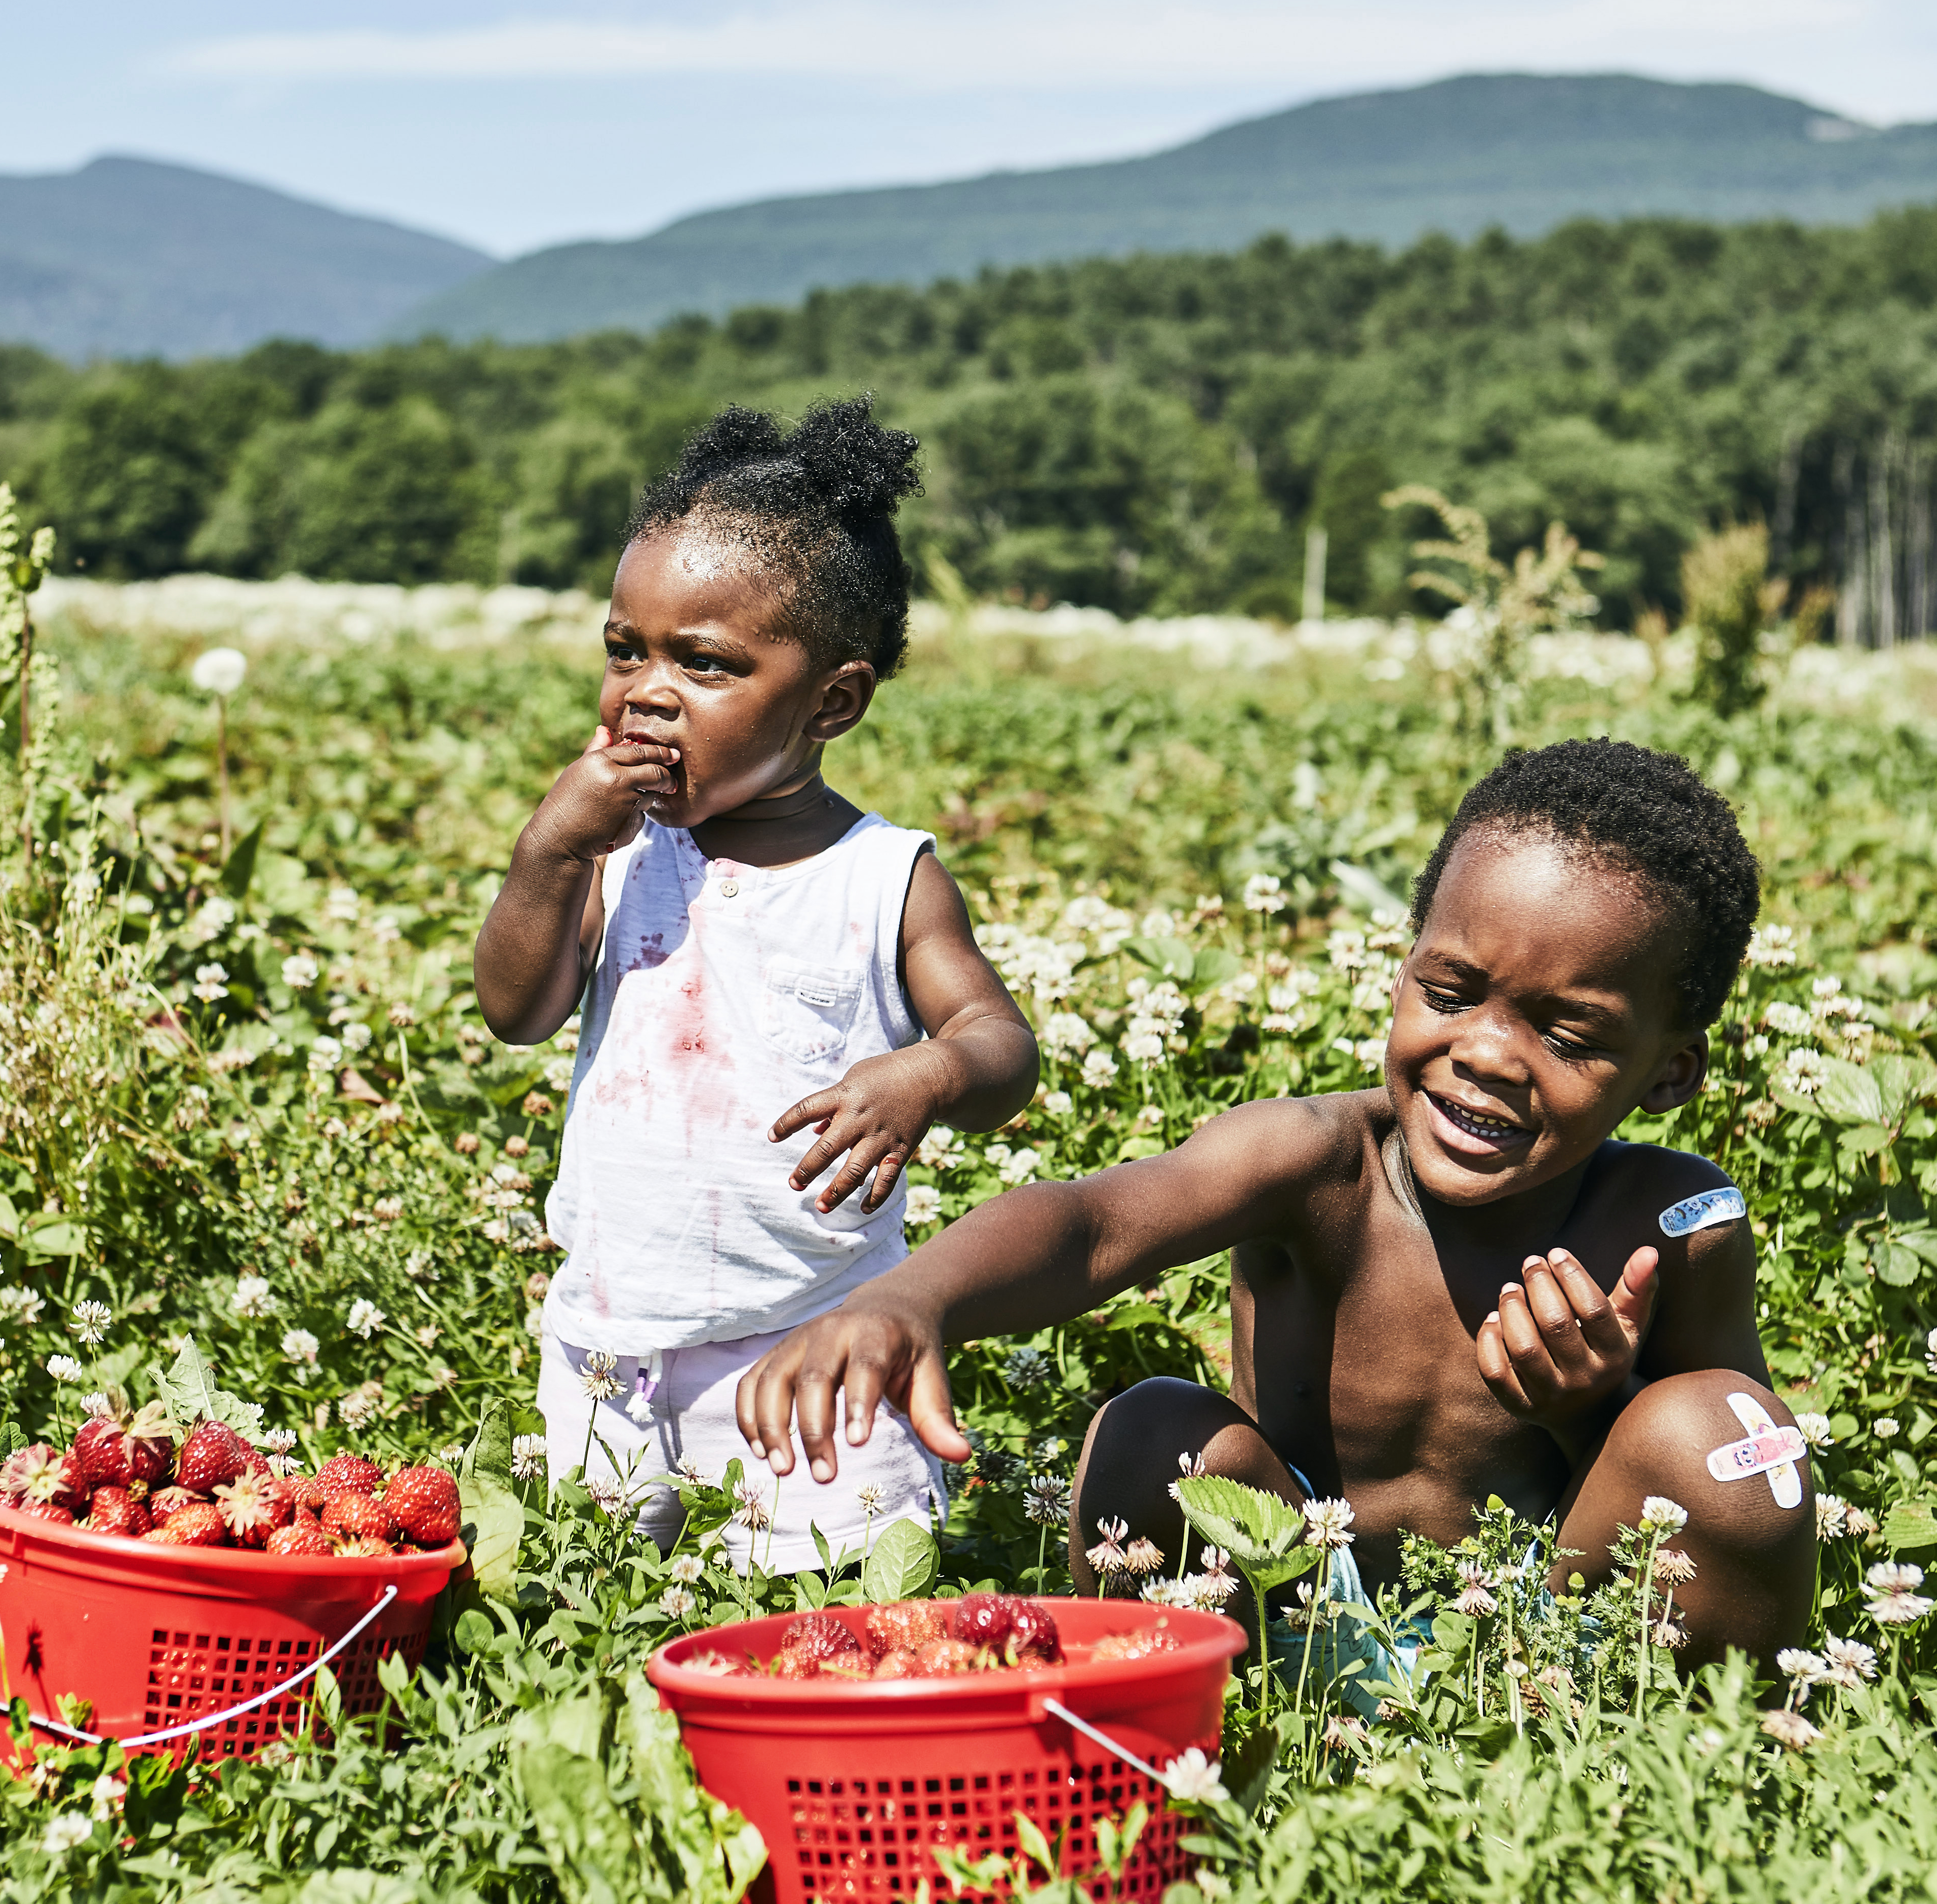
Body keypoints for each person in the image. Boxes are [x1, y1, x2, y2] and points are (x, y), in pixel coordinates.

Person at [734, 737, 1815, 1670]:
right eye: (1445, 992)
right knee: (1154, 1428)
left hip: (1540, 1638)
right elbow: (1095, 1220)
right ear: (1401, 971)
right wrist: (912, 1298)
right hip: (1285, 1599)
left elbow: (1739, 1492)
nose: (1484, 1054)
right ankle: (1163, 1719)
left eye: (1567, 1035)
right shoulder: (1314, 1163)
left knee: (1716, 1435)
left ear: (1667, 1074)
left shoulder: (1674, 1223)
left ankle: (1671, 1757)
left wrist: (1590, 1404)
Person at [474, 398, 1039, 1569]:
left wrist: (927, 1072)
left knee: (829, 1611)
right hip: (609, 1341)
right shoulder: (613, 845)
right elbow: (514, 1010)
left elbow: (1001, 1047)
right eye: (624, 647)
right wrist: (548, 852)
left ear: (832, 700)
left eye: (706, 662)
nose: (645, 689)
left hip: (808, 1343)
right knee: (589, 1598)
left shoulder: (883, 878)